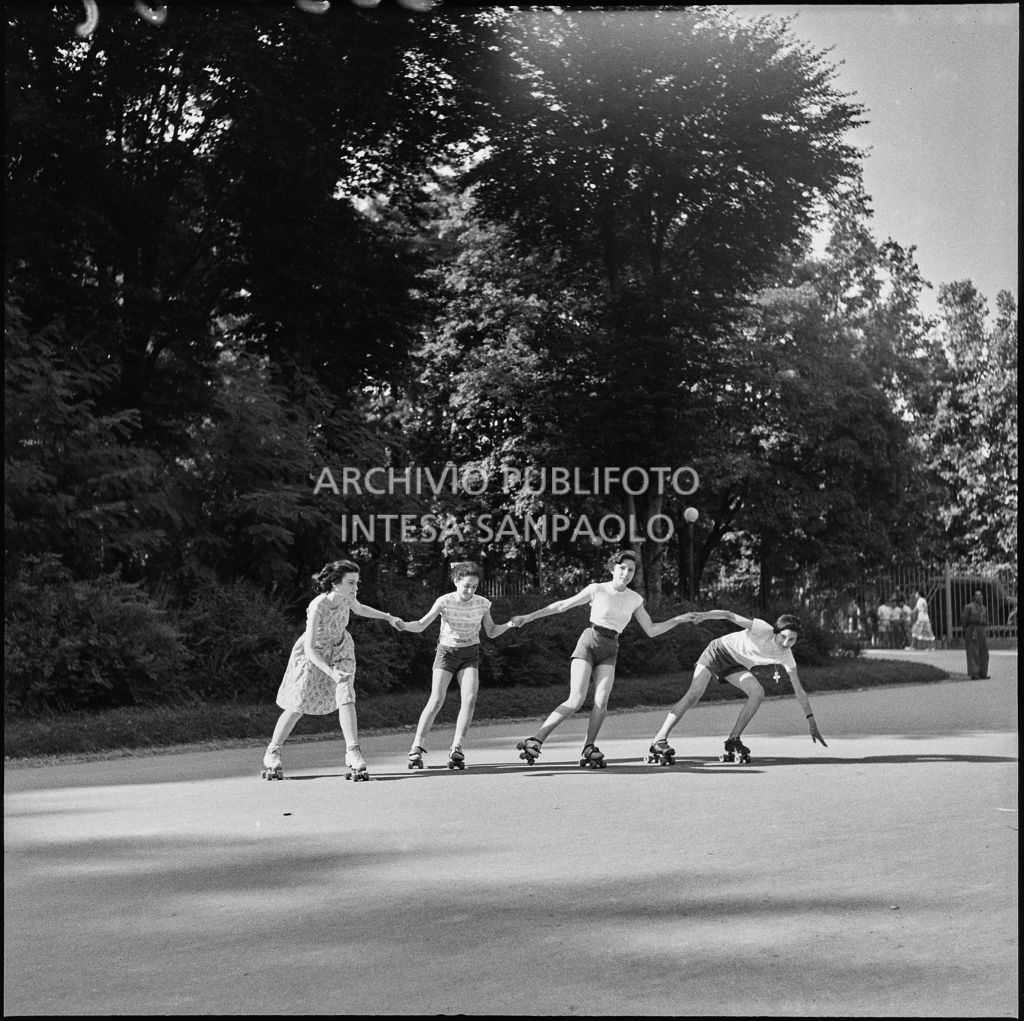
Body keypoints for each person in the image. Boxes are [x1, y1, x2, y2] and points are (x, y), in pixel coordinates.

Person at [509, 550, 689, 768]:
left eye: (631, 570)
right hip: (589, 642)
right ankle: (536, 740)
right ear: (613, 568)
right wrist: (528, 617)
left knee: (601, 701)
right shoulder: (597, 589)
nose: (626, 573)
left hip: (611, 648)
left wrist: (678, 619)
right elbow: (562, 605)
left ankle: (589, 747)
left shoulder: (635, 599)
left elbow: (651, 629)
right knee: (576, 700)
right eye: (622, 568)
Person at [262, 559, 404, 781]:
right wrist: (330, 673)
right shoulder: (318, 605)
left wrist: (388, 617)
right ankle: (273, 751)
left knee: (346, 695)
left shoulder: (348, 597)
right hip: (314, 654)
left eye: (357, 582)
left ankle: (353, 751)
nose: (355, 588)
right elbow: (309, 648)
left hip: (341, 649)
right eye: (350, 583)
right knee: (298, 704)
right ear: (335, 583)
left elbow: (359, 608)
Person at [648, 611, 827, 764]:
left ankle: (733, 739)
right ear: (775, 632)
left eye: (792, 639)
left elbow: (799, 691)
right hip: (718, 652)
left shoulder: (787, 656)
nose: (786, 643)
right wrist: (704, 616)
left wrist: (811, 722)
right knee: (694, 694)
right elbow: (729, 615)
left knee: (757, 693)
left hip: (735, 664)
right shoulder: (763, 629)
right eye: (783, 637)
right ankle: (659, 739)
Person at [399, 561, 517, 770]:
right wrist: (403, 625)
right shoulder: (444, 601)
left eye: (474, 586)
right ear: (456, 582)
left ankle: (457, 747)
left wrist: (509, 625)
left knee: (470, 699)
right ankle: (417, 747)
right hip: (446, 653)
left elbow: (490, 631)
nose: (470, 590)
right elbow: (421, 624)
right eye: (466, 586)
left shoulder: (482, 603)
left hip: (470, 653)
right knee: (436, 700)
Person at [961, 590, 990, 679]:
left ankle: (983, 673)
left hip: (981, 630)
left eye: (980, 595)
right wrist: (967, 629)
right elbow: (964, 619)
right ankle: (974, 673)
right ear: (973, 597)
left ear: (982, 597)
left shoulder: (984, 608)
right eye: (977, 595)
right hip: (972, 630)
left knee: (984, 651)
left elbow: (986, 620)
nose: (979, 597)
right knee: (973, 650)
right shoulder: (968, 607)